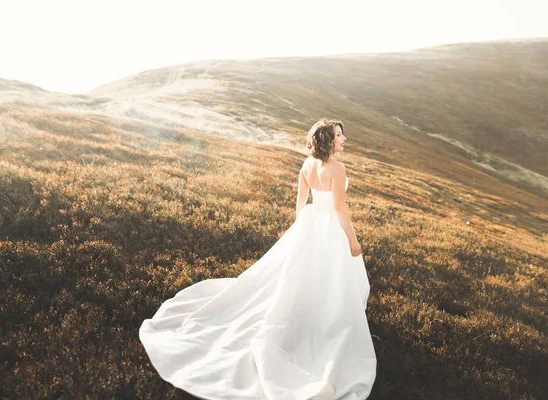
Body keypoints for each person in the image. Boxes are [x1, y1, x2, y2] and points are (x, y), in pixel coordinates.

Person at [139, 118, 377, 399]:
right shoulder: (337, 168)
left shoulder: (306, 165)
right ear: (328, 140)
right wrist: (352, 239)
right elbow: (339, 207)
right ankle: (323, 318)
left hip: (311, 224)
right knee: (328, 278)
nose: (344, 139)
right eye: (339, 135)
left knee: (301, 276)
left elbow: (301, 203)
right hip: (329, 227)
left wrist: (302, 230)